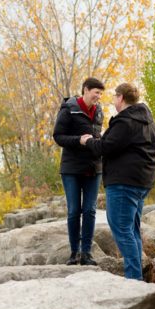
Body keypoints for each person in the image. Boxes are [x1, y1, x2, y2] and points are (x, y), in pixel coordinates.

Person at [80, 82, 155, 280]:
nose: (113, 100)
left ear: (121, 98)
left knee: (122, 229)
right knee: (132, 230)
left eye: (115, 97)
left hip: (124, 183)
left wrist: (87, 141)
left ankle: (134, 279)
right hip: (143, 182)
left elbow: (104, 147)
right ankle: (137, 276)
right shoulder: (149, 123)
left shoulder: (125, 122)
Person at [52, 77, 105, 265]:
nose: (98, 97)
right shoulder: (69, 109)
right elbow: (58, 136)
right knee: (74, 210)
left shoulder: (99, 111)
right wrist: (78, 140)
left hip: (94, 167)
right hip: (72, 168)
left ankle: (87, 253)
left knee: (90, 210)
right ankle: (74, 253)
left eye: (101, 94)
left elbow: (98, 136)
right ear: (85, 90)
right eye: (96, 93)